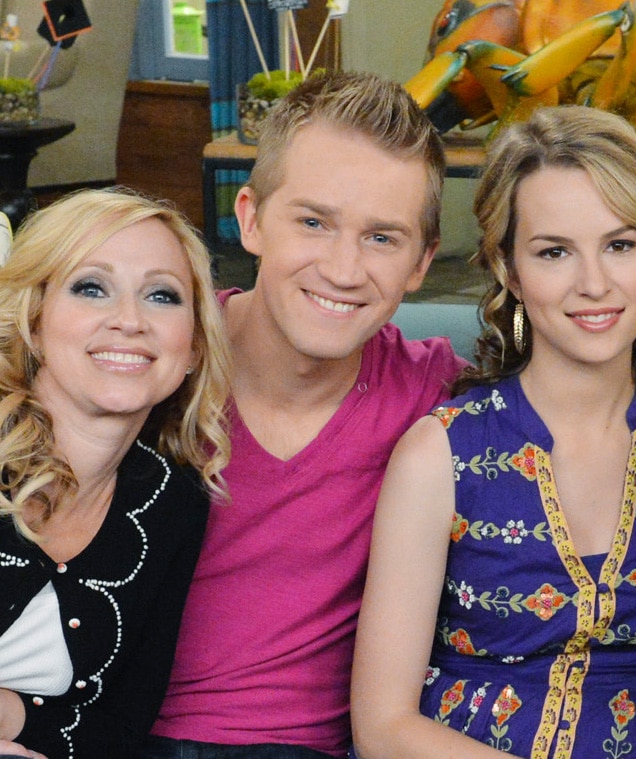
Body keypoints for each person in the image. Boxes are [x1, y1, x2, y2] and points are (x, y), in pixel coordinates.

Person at [350, 105, 636, 759]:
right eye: (554, 252)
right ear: (510, 270)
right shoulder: (441, 454)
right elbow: (381, 726)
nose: (594, 283)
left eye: (620, 244)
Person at [143, 71, 466, 759]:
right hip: (128, 731)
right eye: (314, 222)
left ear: (422, 262)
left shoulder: (437, 395)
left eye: (383, 238)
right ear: (251, 218)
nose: (343, 269)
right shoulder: (158, 364)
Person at [0, 188, 232, 759]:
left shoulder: (170, 499)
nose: (129, 321)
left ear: (194, 346)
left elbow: (118, 727)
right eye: (91, 287)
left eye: (161, 296)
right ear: (34, 318)